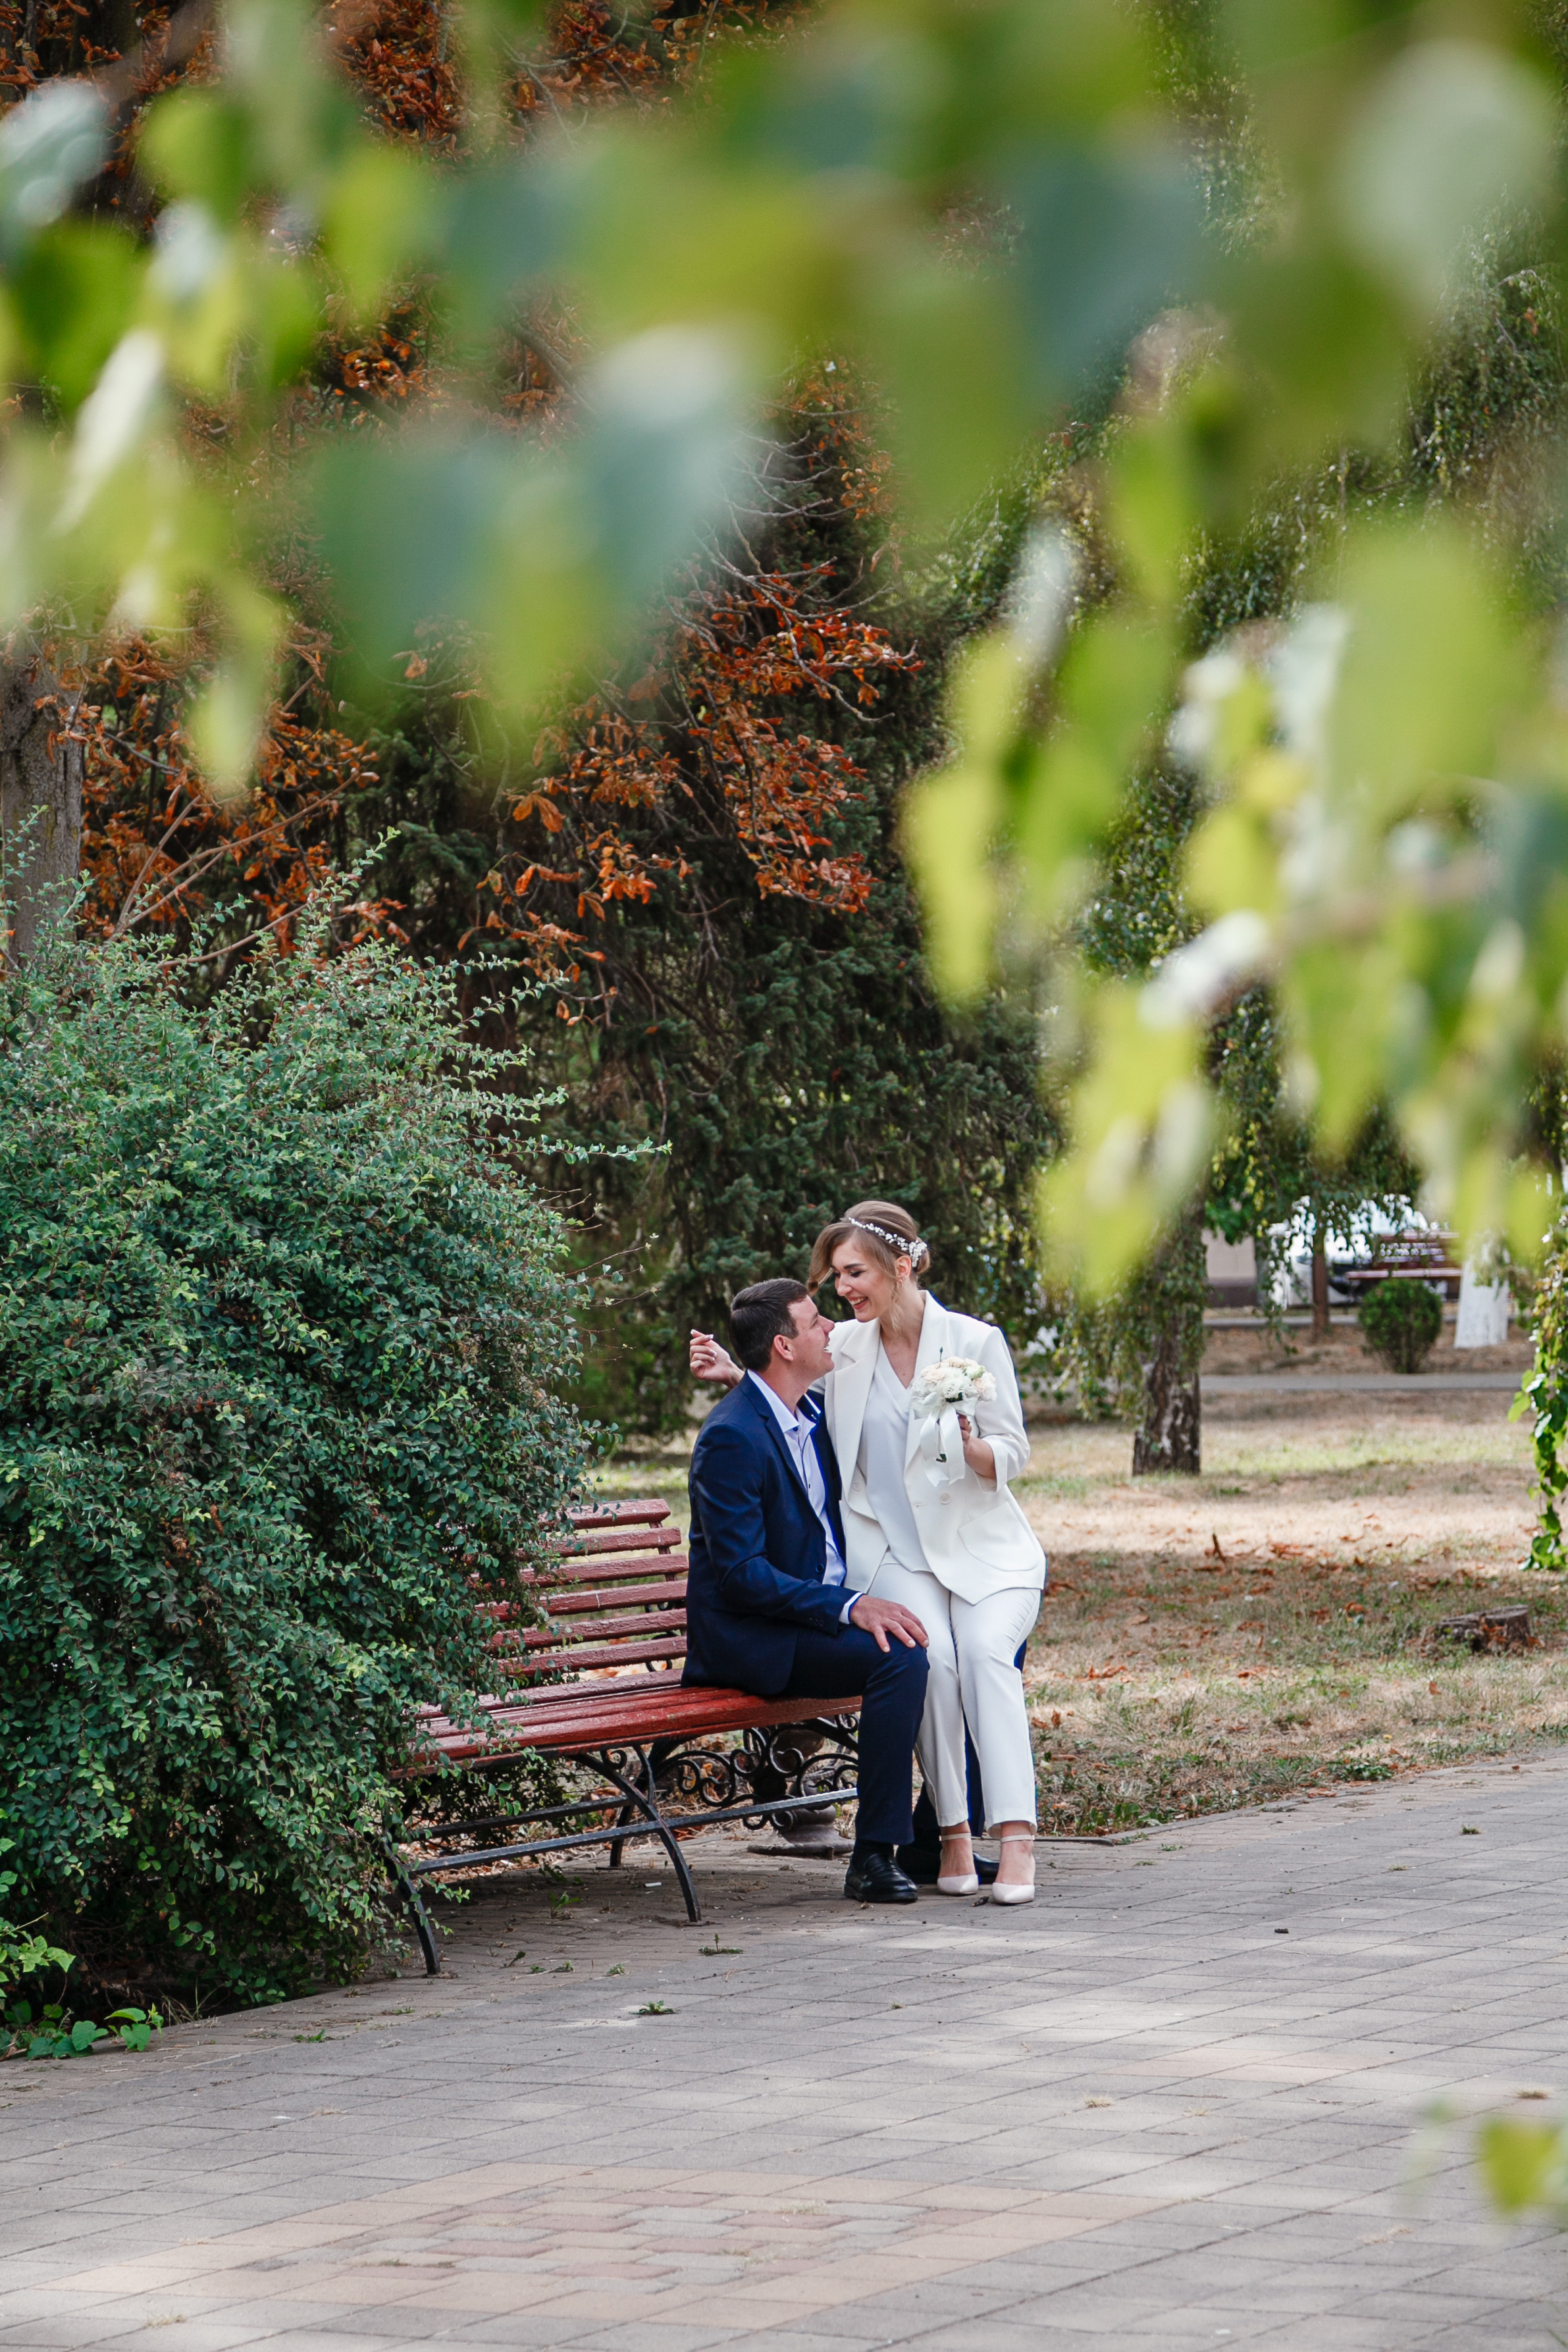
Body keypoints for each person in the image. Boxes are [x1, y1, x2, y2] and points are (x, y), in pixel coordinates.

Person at [691, 1202, 1045, 1902]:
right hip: (892, 1558)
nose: (840, 1292)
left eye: (853, 1272)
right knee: (930, 1658)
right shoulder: (845, 1350)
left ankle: (1014, 1839)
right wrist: (741, 1375)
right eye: (834, 1278)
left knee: (981, 1656)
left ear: (900, 1266)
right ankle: (946, 1837)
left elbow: (1014, 1446)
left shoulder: (976, 1341)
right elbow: (785, 1397)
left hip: (977, 1549)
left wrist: (979, 1452)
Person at [683, 1274, 932, 1905]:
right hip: (756, 1637)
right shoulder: (728, 1439)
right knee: (899, 1658)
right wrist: (849, 1605)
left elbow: (770, 1400)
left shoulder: (810, 1416)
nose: (829, 1329)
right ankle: (874, 1857)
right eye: (816, 1320)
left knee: (956, 1645)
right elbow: (742, 1575)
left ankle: (934, 1839)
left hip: (807, 1619)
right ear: (785, 1346)